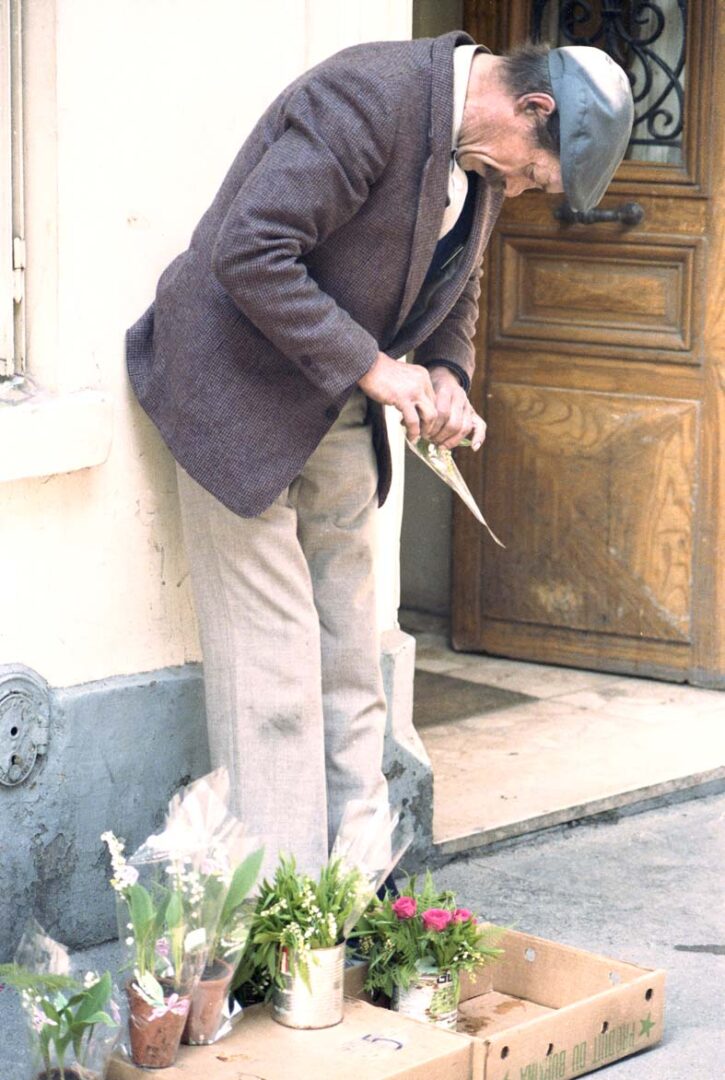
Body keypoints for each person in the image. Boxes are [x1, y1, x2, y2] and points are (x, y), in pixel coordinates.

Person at [126, 31, 633, 879]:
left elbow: (456, 284)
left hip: (334, 400)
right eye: (532, 176)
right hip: (235, 397)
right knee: (274, 670)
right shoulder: (365, 97)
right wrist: (375, 367)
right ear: (531, 107)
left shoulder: (481, 156)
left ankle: (352, 892)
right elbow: (250, 250)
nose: (517, 190)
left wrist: (445, 374)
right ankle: (283, 912)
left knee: (350, 658)